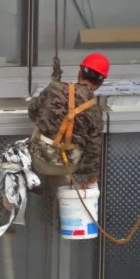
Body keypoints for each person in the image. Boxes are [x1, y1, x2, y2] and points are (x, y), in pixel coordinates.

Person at [28, 52, 108, 189]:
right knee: (82, 142)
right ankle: (63, 185)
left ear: (80, 73)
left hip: (40, 160)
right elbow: (93, 152)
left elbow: (32, 113)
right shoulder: (95, 111)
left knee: (40, 121)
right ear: (101, 83)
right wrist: (92, 183)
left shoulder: (54, 88)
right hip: (69, 166)